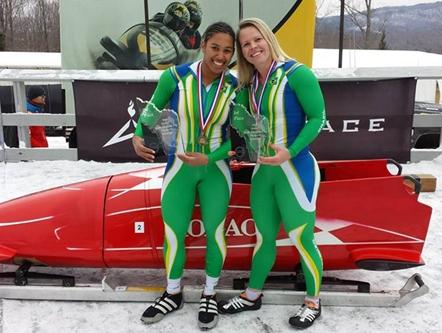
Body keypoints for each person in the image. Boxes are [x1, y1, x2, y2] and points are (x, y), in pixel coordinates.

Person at [217, 18, 326, 330]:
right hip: (264, 173)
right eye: (246, 44)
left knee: (302, 239)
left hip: (295, 169)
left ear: (268, 38)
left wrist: (290, 151)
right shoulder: (249, 84)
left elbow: (318, 117)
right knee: (263, 238)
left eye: (257, 40)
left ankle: (313, 301)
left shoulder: (297, 73)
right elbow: (235, 116)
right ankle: (252, 294)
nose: (253, 47)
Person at [132, 21, 237, 330]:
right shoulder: (175, 76)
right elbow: (152, 109)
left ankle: (209, 293)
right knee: (174, 232)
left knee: (215, 232)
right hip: (178, 168)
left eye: (227, 51)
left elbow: (239, 140)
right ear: (203, 45)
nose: (220, 56)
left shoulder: (234, 85)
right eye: (215, 47)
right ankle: (173, 291)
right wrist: (138, 135)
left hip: (215, 169)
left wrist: (212, 156)